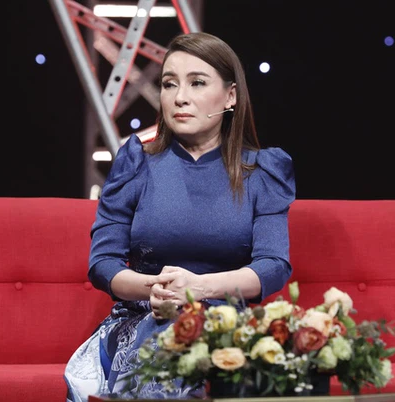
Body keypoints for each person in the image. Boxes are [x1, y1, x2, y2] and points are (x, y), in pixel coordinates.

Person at [64, 31, 296, 401]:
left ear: (231, 96)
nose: (179, 97)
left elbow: (273, 265)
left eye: (197, 83)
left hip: (227, 323)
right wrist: (155, 288)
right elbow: (103, 263)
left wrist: (199, 288)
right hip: (146, 317)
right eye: (169, 84)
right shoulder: (137, 164)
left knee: (236, 358)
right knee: (169, 341)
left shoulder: (260, 171)